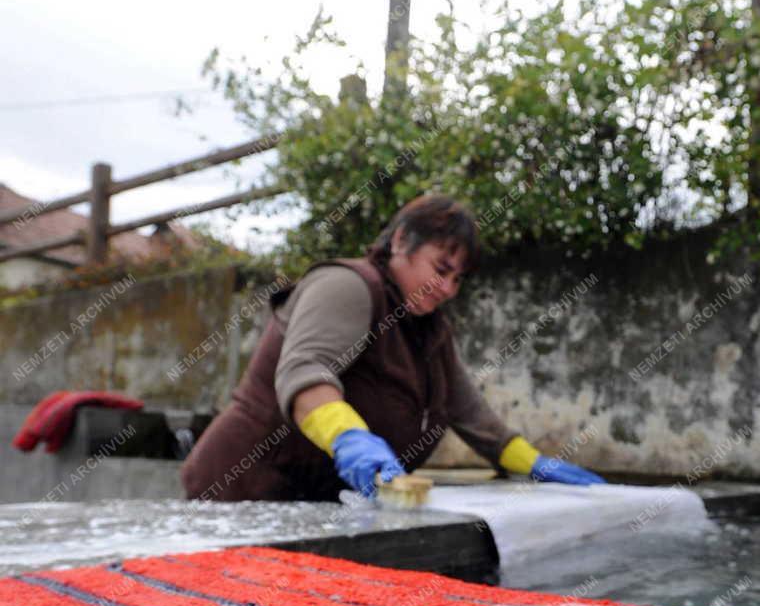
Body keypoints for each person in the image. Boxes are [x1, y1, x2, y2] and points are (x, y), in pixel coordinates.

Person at [181, 193, 604, 502]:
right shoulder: (347, 286)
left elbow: (471, 413)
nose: (448, 288)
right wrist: (349, 438)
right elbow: (305, 371)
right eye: (441, 269)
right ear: (401, 241)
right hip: (241, 495)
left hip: (320, 503)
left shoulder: (429, 329)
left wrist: (532, 463)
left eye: (458, 280)